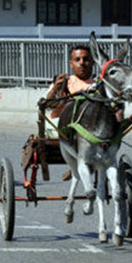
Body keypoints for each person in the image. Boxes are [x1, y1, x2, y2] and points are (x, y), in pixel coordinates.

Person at [45, 45, 96, 180]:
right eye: (77, 59)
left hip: (90, 129)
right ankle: (78, 165)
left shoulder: (98, 85)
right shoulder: (64, 83)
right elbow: (48, 106)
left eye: (86, 59)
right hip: (60, 126)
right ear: (71, 64)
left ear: (92, 62)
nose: (82, 63)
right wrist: (55, 89)